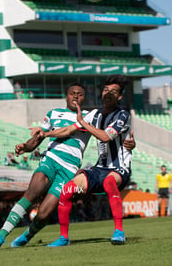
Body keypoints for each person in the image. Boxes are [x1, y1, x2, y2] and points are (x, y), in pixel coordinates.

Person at [0, 81, 135, 250]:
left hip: (69, 168)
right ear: (66, 96)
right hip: (50, 159)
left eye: (80, 94)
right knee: (32, 192)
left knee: (44, 213)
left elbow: (112, 135)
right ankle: (0, 237)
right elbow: (50, 134)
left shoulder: (90, 116)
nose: (76, 96)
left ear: (84, 98)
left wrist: (130, 143)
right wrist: (30, 144)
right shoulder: (55, 113)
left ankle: (27, 235)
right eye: (73, 93)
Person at [45, 74, 132, 246]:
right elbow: (69, 129)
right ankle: (63, 238)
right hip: (99, 168)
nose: (108, 93)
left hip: (119, 169)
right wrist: (45, 134)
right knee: (68, 189)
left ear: (119, 96)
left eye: (113, 91)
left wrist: (83, 123)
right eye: (106, 90)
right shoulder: (95, 114)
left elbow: (106, 136)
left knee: (109, 182)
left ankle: (119, 232)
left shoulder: (122, 115)